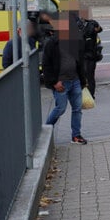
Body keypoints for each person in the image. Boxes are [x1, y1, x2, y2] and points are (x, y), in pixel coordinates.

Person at [42, 12, 88, 145]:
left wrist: (83, 80)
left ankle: (76, 135)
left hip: (75, 80)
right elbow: (46, 65)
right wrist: (54, 82)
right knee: (60, 109)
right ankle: (45, 131)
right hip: (61, 83)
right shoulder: (52, 43)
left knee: (77, 109)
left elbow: (80, 62)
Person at [77, 12, 104, 98]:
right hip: (82, 54)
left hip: (90, 55)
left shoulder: (92, 24)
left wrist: (96, 26)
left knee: (89, 76)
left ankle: (90, 95)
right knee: (83, 76)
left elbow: (99, 29)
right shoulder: (78, 24)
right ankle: (84, 94)